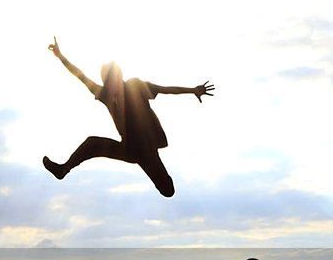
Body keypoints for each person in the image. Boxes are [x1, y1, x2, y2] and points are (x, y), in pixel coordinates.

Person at [42, 37, 214, 197]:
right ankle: (63, 169)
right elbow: (80, 75)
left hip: (147, 147)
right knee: (92, 143)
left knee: (168, 190)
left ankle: (163, 180)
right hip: (129, 148)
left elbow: (165, 89)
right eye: (106, 80)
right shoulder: (105, 94)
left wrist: (192, 90)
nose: (109, 84)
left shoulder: (136, 86)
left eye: (111, 78)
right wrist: (60, 56)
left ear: (119, 76)